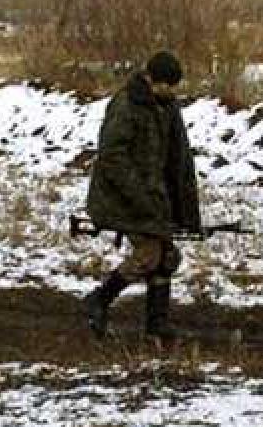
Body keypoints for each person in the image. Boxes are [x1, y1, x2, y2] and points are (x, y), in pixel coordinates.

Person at [83, 50, 202, 340]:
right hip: (119, 197)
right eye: (167, 85)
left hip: (152, 197)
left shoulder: (166, 106)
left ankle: (156, 326)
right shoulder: (125, 106)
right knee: (150, 254)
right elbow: (112, 158)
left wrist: (183, 209)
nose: (172, 92)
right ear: (152, 80)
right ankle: (99, 299)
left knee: (167, 257)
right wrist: (141, 196)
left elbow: (178, 159)